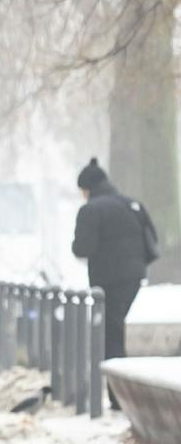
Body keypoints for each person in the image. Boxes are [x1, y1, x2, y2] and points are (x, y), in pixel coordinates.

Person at [72, 156, 158, 367]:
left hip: (107, 281)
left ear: (87, 188)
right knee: (120, 328)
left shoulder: (90, 210)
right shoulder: (132, 204)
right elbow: (152, 241)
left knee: (111, 334)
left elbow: (83, 248)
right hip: (134, 278)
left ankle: (114, 385)